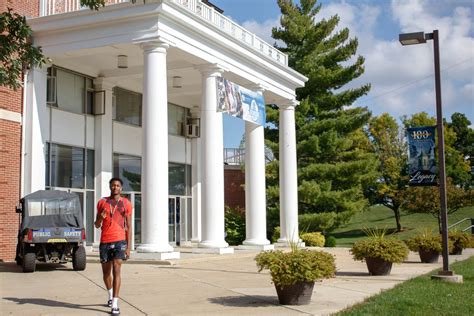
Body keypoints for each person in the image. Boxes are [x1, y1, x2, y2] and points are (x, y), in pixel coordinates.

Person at [94, 178, 132, 315]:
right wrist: (101, 218)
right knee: (106, 274)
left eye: (118, 185)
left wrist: (128, 246)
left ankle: (115, 303)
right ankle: (110, 294)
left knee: (117, 270)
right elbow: (96, 225)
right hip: (105, 241)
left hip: (119, 240)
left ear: (121, 188)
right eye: (113, 185)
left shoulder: (126, 203)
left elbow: (128, 226)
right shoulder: (102, 202)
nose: (115, 187)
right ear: (110, 187)